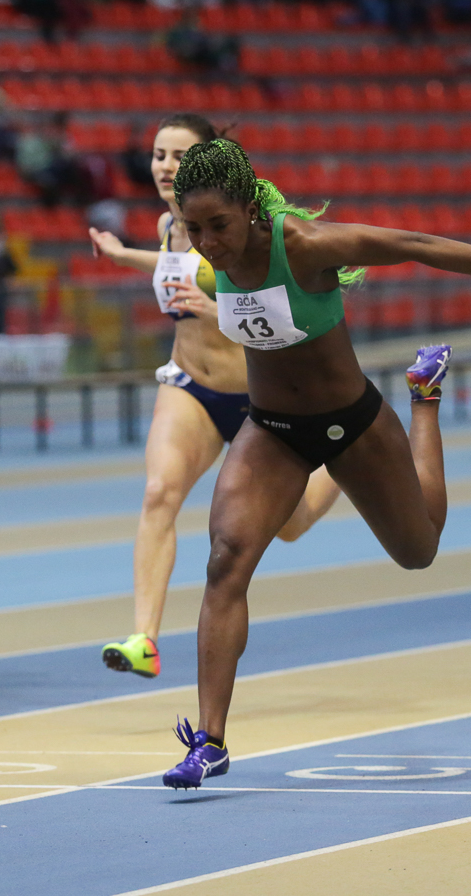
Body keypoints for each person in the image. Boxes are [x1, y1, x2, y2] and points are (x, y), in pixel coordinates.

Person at [158, 138, 471, 788]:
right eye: (195, 229)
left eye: (219, 225)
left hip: (350, 423)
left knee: (419, 549)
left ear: (249, 209)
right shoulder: (212, 268)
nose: (209, 242)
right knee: (224, 559)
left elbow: (414, 243)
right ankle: (210, 741)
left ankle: (424, 398)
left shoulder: (302, 246)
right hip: (272, 432)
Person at [87, 115, 341, 681]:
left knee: (291, 524)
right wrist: (123, 254)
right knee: (159, 493)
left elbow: (278, 306)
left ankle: (342, 464)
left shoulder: (242, 231)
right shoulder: (166, 226)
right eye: (158, 154)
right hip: (190, 387)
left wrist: (218, 309)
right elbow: (176, 266)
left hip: (257, 396)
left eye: (179, 156)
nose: (165, 166)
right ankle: (144, 639)